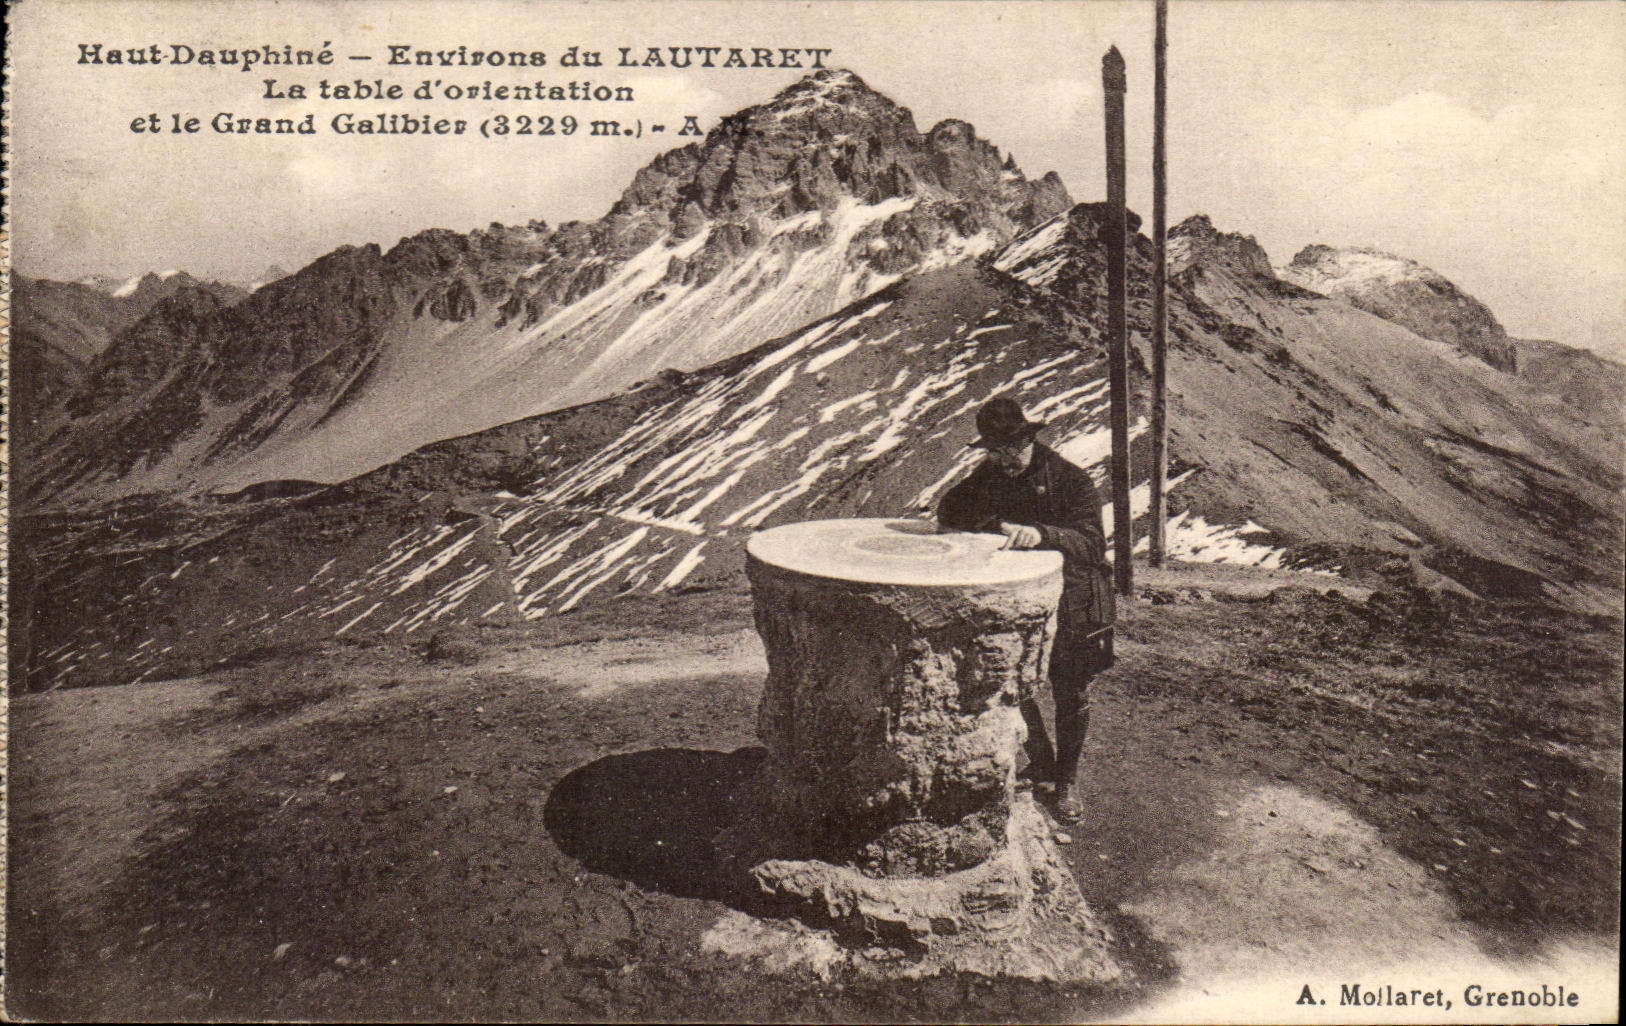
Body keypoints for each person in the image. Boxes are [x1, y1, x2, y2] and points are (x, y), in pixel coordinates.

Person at [937, 398, 1115, 822]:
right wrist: (993, 524)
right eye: (995, 452)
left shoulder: (1069, 480)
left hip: (1075, 598)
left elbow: (1092, 545)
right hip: (1024, 600)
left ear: (1030, 438)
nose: (1005, 460)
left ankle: (1067, 781)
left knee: (1070, 690)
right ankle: (1041, 757)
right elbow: (951, 508)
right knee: (1013, 681)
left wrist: (1041, 534)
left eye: (1011, 450)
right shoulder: (993, 473)